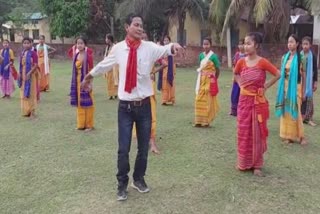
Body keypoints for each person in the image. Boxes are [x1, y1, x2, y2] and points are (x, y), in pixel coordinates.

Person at [81, 13, 183, 201]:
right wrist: (89, 76)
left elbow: (166, 49)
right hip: (125, 108)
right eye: (136, 24)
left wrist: (174, 46)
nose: (140, 27)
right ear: (127, 27)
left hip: (144, 107)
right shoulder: (119, 49)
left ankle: (138, 179)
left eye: (141, 25)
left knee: (143, 148)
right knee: (123, 148)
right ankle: (122, 184)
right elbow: (105, 64)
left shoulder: (150, 48)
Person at [234, 32, 280, 177]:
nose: (245, 46)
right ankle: (243, 162)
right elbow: (235, 73)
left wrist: (266, 86)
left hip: (257, 103)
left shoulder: (262, 62)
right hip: (243, 102)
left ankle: (257, 165)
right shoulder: (241, 61)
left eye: (249, 43)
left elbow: (278, 74)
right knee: (244, 132)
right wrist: (241, 84)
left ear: (257, 45)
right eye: (245, 43)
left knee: (257, 133)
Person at [275, 34, 307, 145]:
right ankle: (288, 136)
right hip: (285, 87)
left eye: (292, 42)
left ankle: (302, 137)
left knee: (296, 111)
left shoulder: (301, 58)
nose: (289, 44)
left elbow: (304, 75)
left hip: (296, 88)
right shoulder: (285, 57)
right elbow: (282, 73)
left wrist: (303, 92)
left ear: (297, 44)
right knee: (287, 112)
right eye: (288, 42)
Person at [194, 37, 220, 127]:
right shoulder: (201, 56)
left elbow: (217, 69)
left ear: (210, 45)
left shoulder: (214, 56)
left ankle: (206, 121)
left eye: (207, 44)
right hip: (201, 80)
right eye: (204, 44)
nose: (205, 46)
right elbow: (201, 68)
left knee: (207, 99)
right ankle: (199, 120)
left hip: (210, 80)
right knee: (199, 98)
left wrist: (214, 79)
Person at [70, 37, 94, 131]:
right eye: (78, 43)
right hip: (77, 81)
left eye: (81, 43)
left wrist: (90, 83)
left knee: (88, 103)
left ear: (85, 45)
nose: (79, 45)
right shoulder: (76, 56)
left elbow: (92, 70)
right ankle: (81, 124)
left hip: (86, 81)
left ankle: (89, 125)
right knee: (80, 103)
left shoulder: (88, 56)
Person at [18, 37, 39, 118]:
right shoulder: (22, 53)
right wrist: (20, 73)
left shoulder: (33, 53)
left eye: (28, 43)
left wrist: (29, 73)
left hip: (30, 75)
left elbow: (36, 65)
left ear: (31, 44)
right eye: (24, 43)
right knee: (23, 92)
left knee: (31, 93)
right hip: (23, 75)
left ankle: (32, 112)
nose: (26, 44)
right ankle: (27, 111)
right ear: (22, 44)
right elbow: (21, 64)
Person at [301, 36, 318, 126]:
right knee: (301, 97)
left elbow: (315, 70)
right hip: (301, 80)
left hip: (309, 80)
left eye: (306, 44)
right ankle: (302, 117)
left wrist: (315, 82)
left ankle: (309, 118)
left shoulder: (313, 56)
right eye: (303, 44)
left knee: (309, 98)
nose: (305, 46)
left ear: (310, 45)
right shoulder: (299, 55)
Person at [157, 35, 176, 105]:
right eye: (165, 40)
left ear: (169, 41)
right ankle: (164, 100)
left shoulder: (171, 49)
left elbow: (174, 54)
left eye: (167, 40)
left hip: (170, 68)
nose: (166, 41)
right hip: (164, 68)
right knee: (164, 84)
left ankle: (172, 99)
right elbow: (159, 58)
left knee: (171, 83)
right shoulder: (162, 49)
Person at [230, 39, 246, 116]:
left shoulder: (247, 55)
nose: (241, 46)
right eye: (239, 44)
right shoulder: (237, 55)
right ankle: (233, 110)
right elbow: (233, 65)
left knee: (242, 94)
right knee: (234, 94)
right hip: (236, 78)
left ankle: (242, 111)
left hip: (244, 78)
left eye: (242, 44)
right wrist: (234, 73)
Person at [104, 34, 119, 100]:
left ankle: (115, 94)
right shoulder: (107, 47)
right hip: (108, 66)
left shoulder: (115, 46)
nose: (105, 40)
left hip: (114, 66)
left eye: (106, 38)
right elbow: (106, 56)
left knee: (115, 80)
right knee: (109, 81)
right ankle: (110, 94)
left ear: (109, 39)